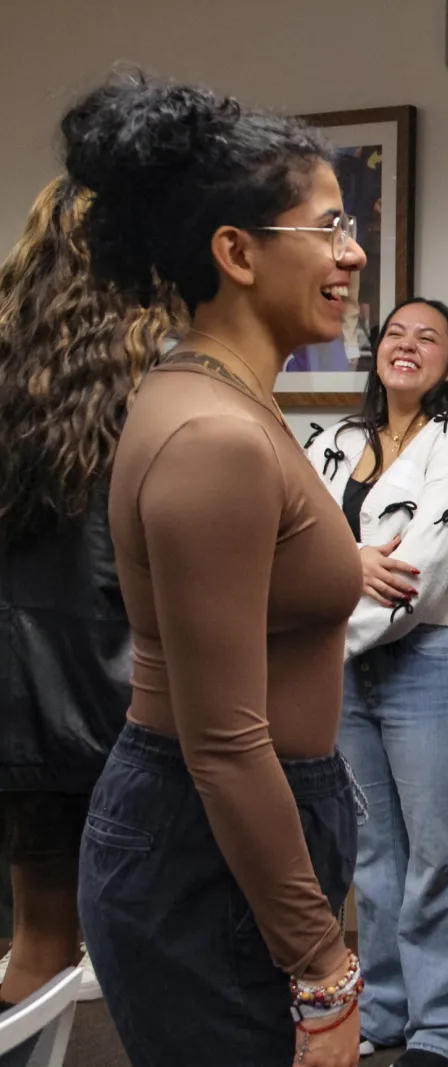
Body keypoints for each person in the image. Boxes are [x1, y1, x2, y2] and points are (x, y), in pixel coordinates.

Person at [63, 71, 368, 1067]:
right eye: (327, 228)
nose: (351, 252)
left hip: (231, 826)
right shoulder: (215, 437)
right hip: (212, 839)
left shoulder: (214, 401)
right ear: (235, 252)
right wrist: (323, 967)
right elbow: (227, 743)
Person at [0, 177, 184, 1009]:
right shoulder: (162, 381)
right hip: (124, 696)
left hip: (18, 700)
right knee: (160, 946)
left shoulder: (8, 366)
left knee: (36, 943)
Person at [304, 297, 448, 1066]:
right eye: (395, 332)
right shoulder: (331, 442)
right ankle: (385, 1007)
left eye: (429, 337)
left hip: (429, 659)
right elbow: (298, 548)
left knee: (438, 850)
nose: (406, 344)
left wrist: (322, 625)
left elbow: (415, 575)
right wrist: (343, 574)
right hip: (342, 666)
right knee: (369, 849)